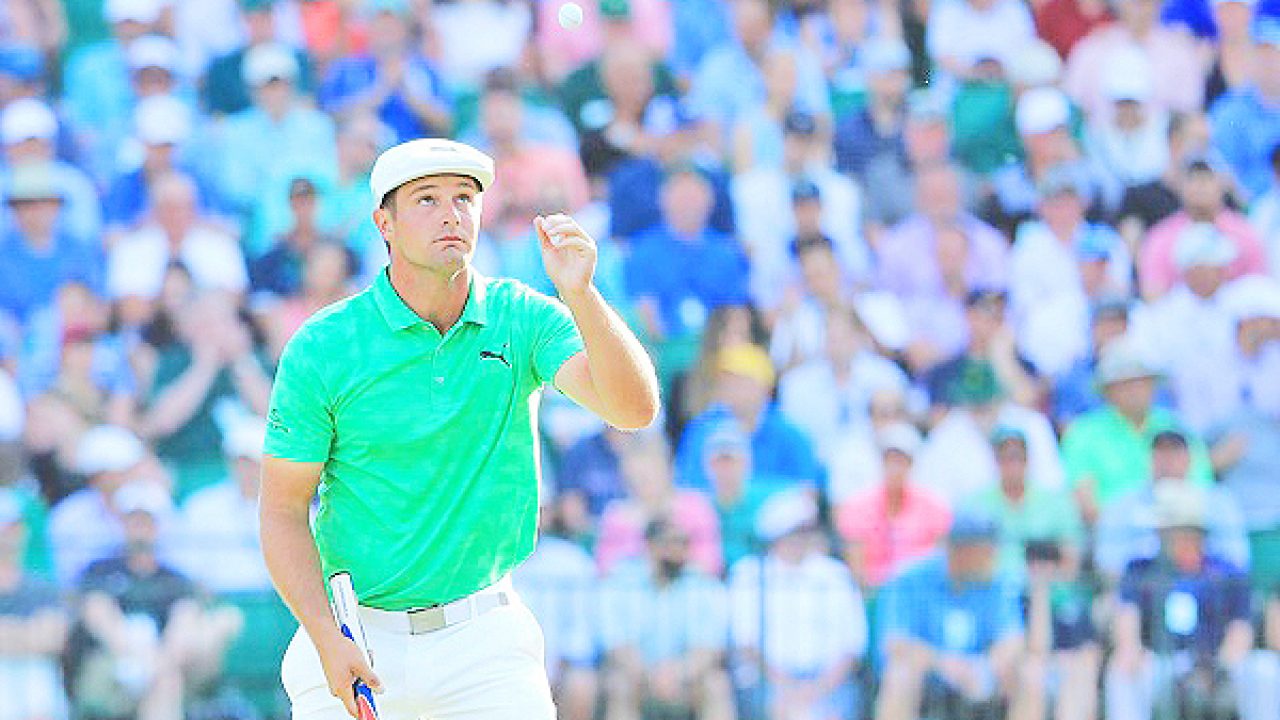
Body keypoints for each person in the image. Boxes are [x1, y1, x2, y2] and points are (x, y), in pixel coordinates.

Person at [259, 138, 659, 720]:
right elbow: (281, 511)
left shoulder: (523, 316)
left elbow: (633, 410)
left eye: (464, 198)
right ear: (384, 223)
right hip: (354, 635)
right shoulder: (323, 346)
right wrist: (325, 636)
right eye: (427, 199)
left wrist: (582, 295)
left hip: (485, 639)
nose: (451, 214)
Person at [875, 511, 1036, 720]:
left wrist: (985, 669)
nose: (992, 556)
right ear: (960, 550)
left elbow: (1012, 639)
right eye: (986, 550)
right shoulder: (910, 580)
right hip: (928, 675)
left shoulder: (997, 581)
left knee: (1029, 675)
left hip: (980, 673)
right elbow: (895, 643)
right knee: (900, 675)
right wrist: (944, 664)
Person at [728, 490, 867, 720]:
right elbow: (746, 644)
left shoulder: (835, 574)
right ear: (776, 537)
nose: (801, 540)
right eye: (795, 532)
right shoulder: (749, 574)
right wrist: (788, 687)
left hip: (829, 684)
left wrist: (816, 689)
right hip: (768, 682)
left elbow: (853, 646)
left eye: (806, 531)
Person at [598, 517, 735, 720]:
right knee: (620, 685)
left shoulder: (703, 584)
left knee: (717, 685)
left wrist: (678, 674)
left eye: (684, 543)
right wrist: (650, 675)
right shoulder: (620, 583)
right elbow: (617, 645)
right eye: (671, 542)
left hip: (688, 679)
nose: (679, 550)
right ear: (649, 545)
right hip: (639, 677)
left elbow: (709, 648)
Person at [0, 487, 71, 720]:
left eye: (12, 527)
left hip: (32, 675)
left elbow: (52, 639)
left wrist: (7, 632)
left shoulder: (40, 586)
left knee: (36, 672)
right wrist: (26, 632)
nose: (6, 535)